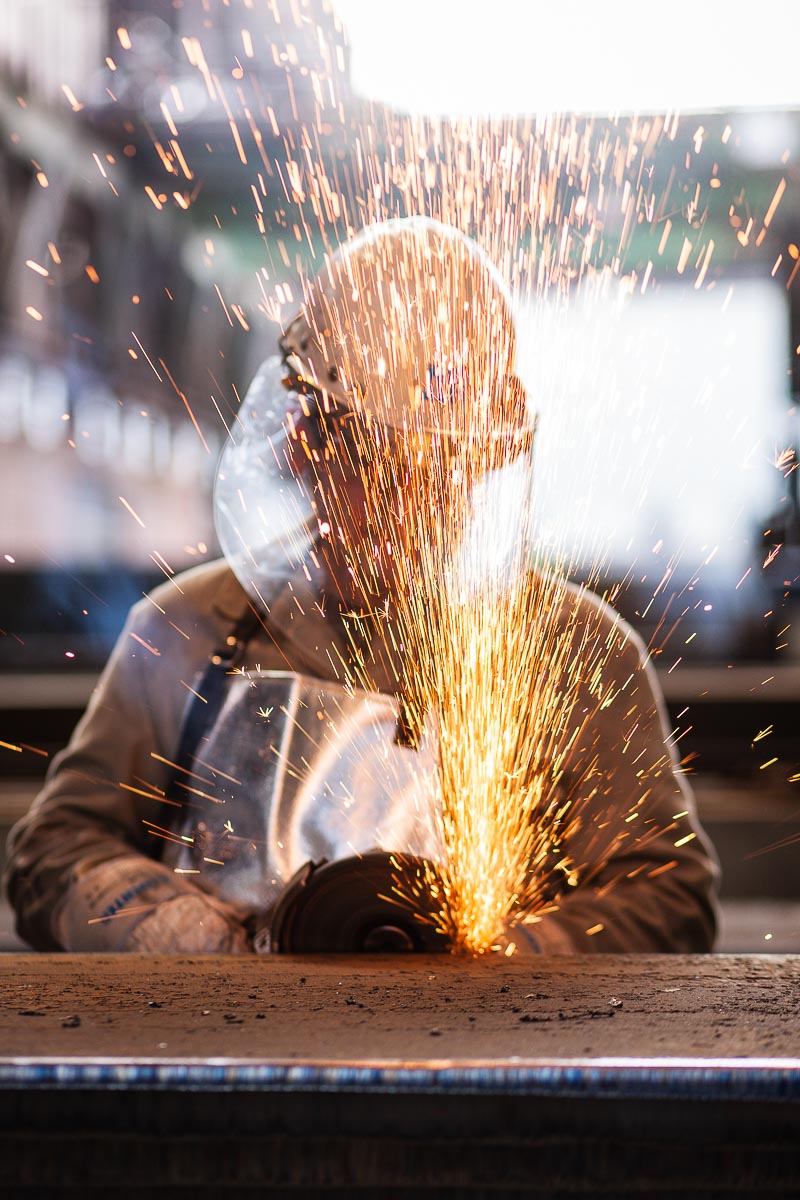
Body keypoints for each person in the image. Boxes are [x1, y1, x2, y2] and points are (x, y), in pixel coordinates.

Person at [4, 218, 718, 954]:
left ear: (481, 466)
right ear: (301, 443)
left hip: (481, 1058)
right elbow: (51, 853)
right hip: (230, 1051)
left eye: (427, 475)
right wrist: (181, 932)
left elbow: (667, 893)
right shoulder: (187, 631)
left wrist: (510, 960)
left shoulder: (573, 657)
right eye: (366, 465)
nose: (396, 512)